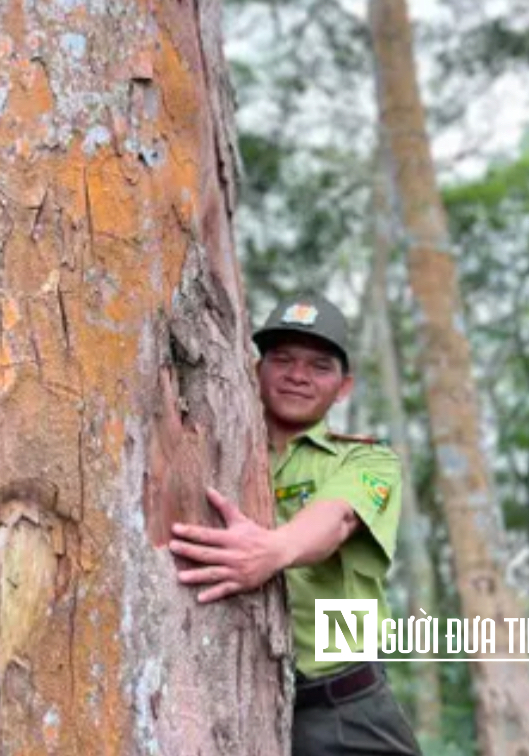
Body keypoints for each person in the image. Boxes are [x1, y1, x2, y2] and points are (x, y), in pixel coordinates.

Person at [169, 294, 420, 755]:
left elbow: (340, 516)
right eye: (282, 359)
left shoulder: (367, 458)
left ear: (343, 387)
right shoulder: (210, 450)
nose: (298, 375)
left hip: (344, 707)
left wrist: (273, 550)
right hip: (221, 700)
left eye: (319, 366)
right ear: (255, 369)